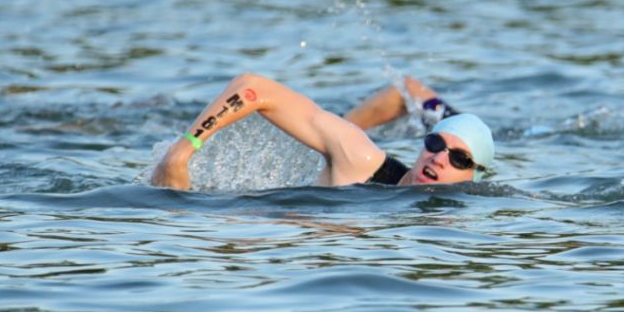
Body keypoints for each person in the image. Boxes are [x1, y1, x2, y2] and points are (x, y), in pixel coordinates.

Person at [151, 73, 494, 189]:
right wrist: (181, 153)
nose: (439, 158)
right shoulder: (361, 162)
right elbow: (252, 86)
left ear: (475, 177)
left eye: (460, 159)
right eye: (435, 143)